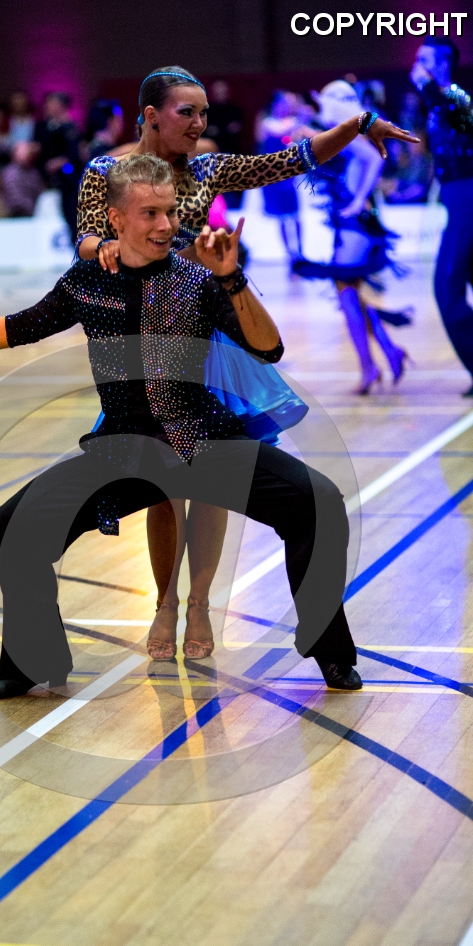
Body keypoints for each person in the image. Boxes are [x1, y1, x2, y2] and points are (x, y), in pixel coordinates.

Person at [0, 154, 361, 698]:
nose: (166, 225)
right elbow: (19, 327)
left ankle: (329, 649)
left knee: (318, 502)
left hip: (206, 442)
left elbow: (269, 348)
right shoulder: (88, 282)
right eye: (150, 213)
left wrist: (232, 279)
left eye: (170, 212)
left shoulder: (199, 279)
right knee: (11, 526)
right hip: (126, 454)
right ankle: (32, 659)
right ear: (116, 219)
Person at [76, 65, 418, 656]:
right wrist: (107, 246)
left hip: (209, 339)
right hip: (146, 341)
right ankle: (165, 603)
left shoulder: (209, 168)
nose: (199, 123)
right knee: (162, 484)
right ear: (151, 115)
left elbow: (294, 160)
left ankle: (200, 604)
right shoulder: (106, 172)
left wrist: (360, 123)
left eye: (204, 113)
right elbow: (84, 239)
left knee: (212, 478)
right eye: (187, 112)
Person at [293, 80, 414, 395]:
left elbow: (373, 159)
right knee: (350, 293)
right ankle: (387, 353)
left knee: (347, 294)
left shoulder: (350, 132)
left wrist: (359, 199)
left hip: (354, 224)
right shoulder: (345, 129)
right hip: (349, 222)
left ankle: (372, 365)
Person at [410, 38, 473, 396]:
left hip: (467, 196)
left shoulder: (457, 97)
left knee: (447, 288)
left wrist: (426, 86)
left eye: (424, 59)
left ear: (443, 63)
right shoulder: (438, 101)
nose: (416, 65)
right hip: (456, 196)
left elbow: (459, 118)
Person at [256, 91, 310, 261]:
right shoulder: (267, 123)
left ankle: (299, 251)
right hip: (275, 175)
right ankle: (290, 254)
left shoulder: (294, 122)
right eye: (282, 104)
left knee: (295, 215)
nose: (284, 108)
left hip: (292, 175)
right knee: (281, 217)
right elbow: (271, 138)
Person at [34, 92, 82, 244]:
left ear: (62, 106)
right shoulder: (43, 127)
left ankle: (75, 242)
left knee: (71, 214)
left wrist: (61, 162)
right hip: (45, 181)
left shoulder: (71, 127)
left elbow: (75, 154)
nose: (47, 106)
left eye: (52, 103)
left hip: (68, 182)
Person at [204, 80, 245, 208]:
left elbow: (236, 130)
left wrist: (218, 132)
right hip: (212, 156)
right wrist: (224, 131)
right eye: (218, 91)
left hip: (232, 153)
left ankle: (234, 208)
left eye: (223, 91)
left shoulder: (234, 110)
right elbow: (207, 132)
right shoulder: (206, 112)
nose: (220, 94)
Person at [0, 141, 44, 217]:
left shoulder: (33, 171)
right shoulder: (10, 173)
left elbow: (40, 192)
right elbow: (15, 199)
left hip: (34, 213)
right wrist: (33, 210)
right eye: (25, 152)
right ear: (15, 154)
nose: (29, 155)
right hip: (17, 215)